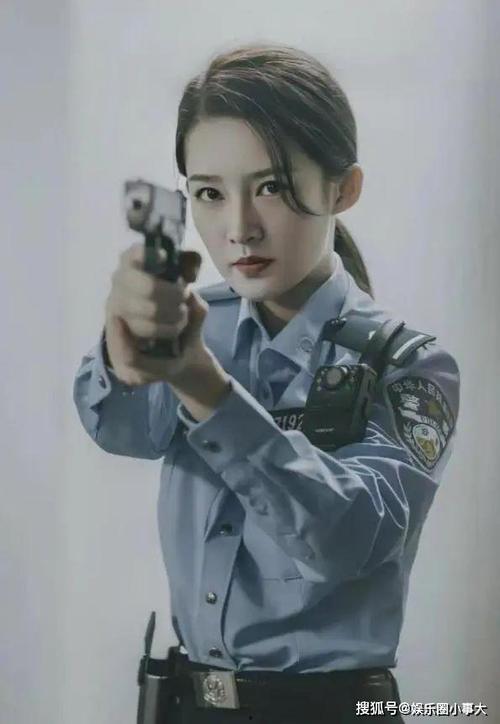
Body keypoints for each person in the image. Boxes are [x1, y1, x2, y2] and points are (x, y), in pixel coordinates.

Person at [73, 44, 460, 723]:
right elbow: (119, 428)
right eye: (210, 194)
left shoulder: (409, 365)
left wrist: (206, 389)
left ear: (343, 188)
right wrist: (122, 348)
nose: (239, 228)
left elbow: (348, 539)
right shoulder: (197, 322)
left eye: (272, 187)